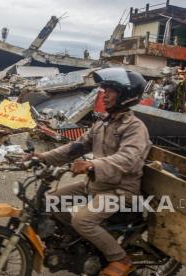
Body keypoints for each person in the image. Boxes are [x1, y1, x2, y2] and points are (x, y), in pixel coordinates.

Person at [25, 68, 151, 276]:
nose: (105, 94)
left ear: (126, 95)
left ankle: (120, 258)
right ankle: (81, 243)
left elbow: (129, 158)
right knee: (50, 201)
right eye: (104, 90)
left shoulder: (135, 128)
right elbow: (76, 147)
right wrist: (42, 157)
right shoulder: (102, 123)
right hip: (95, 185)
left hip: (120, 191)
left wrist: (92, 165)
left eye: (111, 90)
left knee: (82, 219)